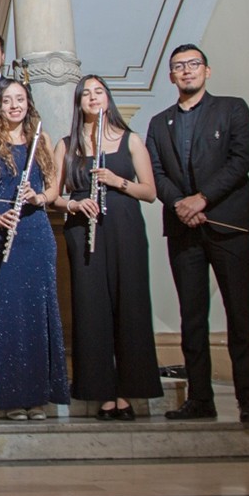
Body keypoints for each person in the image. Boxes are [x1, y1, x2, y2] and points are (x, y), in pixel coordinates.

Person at [145, 44, 249, 424]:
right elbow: (155, 172)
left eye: (193, 64)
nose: (187, 71)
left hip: (228, 225)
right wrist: (181, 204)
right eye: (179, 66)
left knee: (240, 313)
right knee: (192, 317)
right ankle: (200, 399)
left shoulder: (232, 109)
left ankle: (248, 399)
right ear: (171, 76)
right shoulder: (159, 123)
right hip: (183, 228)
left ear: (206, 71)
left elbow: (241, 160)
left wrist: (203, 199)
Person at [52, 75, 162, 421]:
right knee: (91, 308)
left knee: (130, 304)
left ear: (108, 98)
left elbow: (150, 192)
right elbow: (54, 196)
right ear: (79, 102)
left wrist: (118, 181)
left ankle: (128, 391)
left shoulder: (130, 140)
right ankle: (100, 391)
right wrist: (73, 204)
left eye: (99, 92)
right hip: (82, 229)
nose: (93, 97)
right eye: (86, 93)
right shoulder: (67, 145)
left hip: (125, 228)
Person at [0, 79, 68, 421]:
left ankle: (39, 397)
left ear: (28, 103)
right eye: (7, 100)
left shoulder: (42, 139)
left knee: (39, 312)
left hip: (36, 231)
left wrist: (39, 197)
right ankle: (14, 396)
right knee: (8, 314)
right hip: (0, 230)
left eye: (20, 99)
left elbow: (53, 188)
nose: (14, 106)